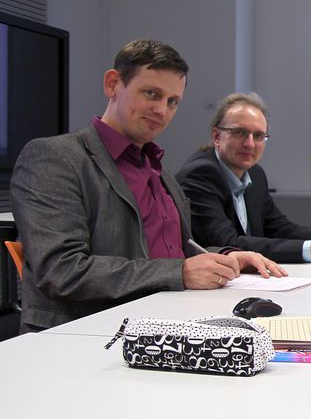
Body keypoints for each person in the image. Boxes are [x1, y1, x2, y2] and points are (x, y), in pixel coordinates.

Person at [10, 40, 285, 333]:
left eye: (172, 101)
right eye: (151, 94)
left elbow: (171, 253)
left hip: (161, 324)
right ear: (113, 84)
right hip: (84, 335)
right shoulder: (56, 158)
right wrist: (179, 272)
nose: (161, 110)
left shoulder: (157, 169)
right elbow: (62, 271)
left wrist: (226, 257)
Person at [175, 93, 311, 264]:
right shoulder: (200, 175)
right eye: (240, 133)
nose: (250, 143)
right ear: (217, 136)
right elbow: (227, 243)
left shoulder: (255, 174)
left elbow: (279, 228)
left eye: (258, 136)